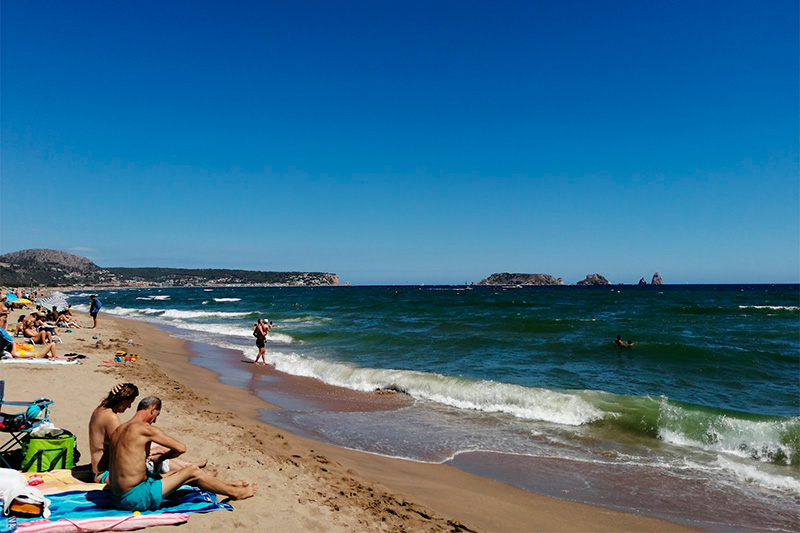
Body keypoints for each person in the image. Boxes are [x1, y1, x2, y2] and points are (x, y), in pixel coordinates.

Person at [107, 396, 256, 511]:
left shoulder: (119, 430)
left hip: (116, 495)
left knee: (180, 474)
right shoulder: (145, 429)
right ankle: (235, 493)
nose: (155, 420)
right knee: (191, 471)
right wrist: (162, 457)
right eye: (157, 414)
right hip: (134, 498)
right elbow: (180, 448)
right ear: (153, 409)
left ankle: (229, 484)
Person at [89, 384, 193, 484]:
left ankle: (188, 466)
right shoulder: (111, 417)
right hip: (105, 473)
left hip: (100, 469)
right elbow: (121, 446)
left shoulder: (100, 409)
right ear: (123, 399)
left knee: (155, 446)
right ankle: (188, 469)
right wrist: (153, 452)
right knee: (155, 455)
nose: (129, 407)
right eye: (129, 402)